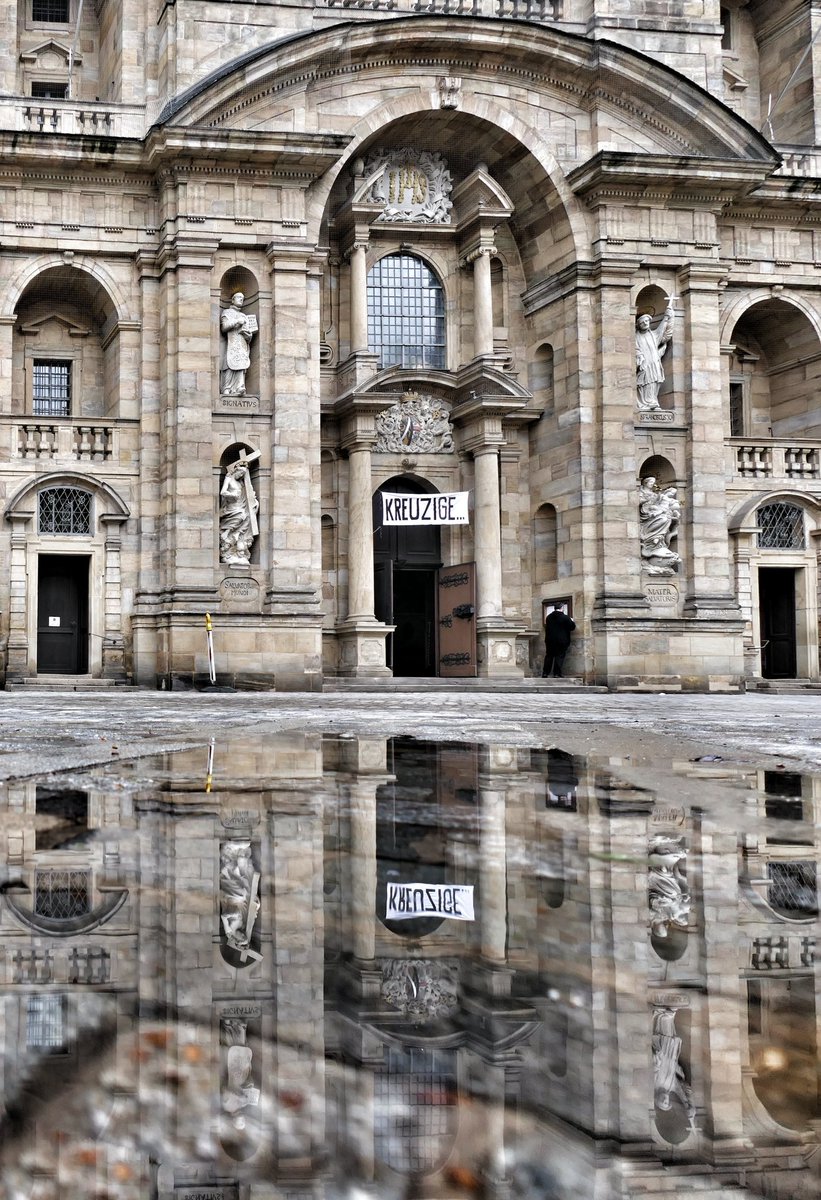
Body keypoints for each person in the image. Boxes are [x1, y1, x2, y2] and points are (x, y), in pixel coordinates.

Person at [636, 301, 675, 411]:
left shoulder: (653, 335)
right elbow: (635, 349)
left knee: (654, 380)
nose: (646, 323)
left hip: (654, 363)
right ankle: (645, 402)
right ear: (639, 324)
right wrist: (639, 358)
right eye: (643, 322)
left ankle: (652, 400)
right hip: (644, 364)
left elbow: (662, 330)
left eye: (647, 321)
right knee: (645, 381)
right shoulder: (636, 337)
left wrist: (668, 317)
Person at [219, 460, 258, 566]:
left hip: (240, 505)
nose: (241, 475)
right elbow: (222, 492)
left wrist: (254, 503)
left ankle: (238, 548)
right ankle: (227, 534)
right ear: (235, 471)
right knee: (240, 515)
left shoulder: (241, 483)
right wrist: (232, 495)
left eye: (243, 474)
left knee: (247, 517)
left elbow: (248, 495)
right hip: (231, 506)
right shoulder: (228, 478)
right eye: (240, 473)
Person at [220, 292, 256, 396]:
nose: (241, 299)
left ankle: (240, 386)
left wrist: (248, 335)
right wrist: (237, 321)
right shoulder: (227, 312)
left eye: (243, 298)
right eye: (239, 297)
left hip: (242, 344)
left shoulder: (244, 316)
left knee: (241, 363)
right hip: (230, 343)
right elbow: (224, 327)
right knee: (229, 364)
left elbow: (249, 336)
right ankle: (227, 387)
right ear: (232, 300)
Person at [542, 606, 576, 677]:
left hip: (550, 640)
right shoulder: (565, 617)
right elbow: (572, 627)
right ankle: (556, 673)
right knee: (559, 656)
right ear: (562, 608)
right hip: (561, 640)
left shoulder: (548, 617)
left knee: (549, 656)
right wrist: (572, 621)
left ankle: (545, 673)